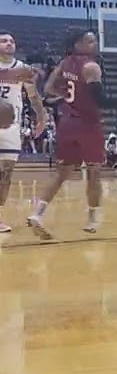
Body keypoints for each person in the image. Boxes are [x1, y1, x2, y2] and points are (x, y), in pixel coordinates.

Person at [28, 30, 117, 239]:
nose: (95, 44)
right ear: (77, 44)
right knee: (94, 171)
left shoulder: (64, 63)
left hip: (67, 123)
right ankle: (93, 217)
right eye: (90, 41)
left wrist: (67, 96)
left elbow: (48, 88)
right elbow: (100, 100)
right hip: (89, 125)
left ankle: (37, 213)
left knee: (61, 173)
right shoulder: (91, 67)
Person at [0, 31, 47, 233]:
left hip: (11, 127)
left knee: (5, 174)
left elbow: (33, 96)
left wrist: (41, 118)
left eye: (11, 41)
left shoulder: (22, 68)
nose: (9, 43)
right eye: (4, 41)